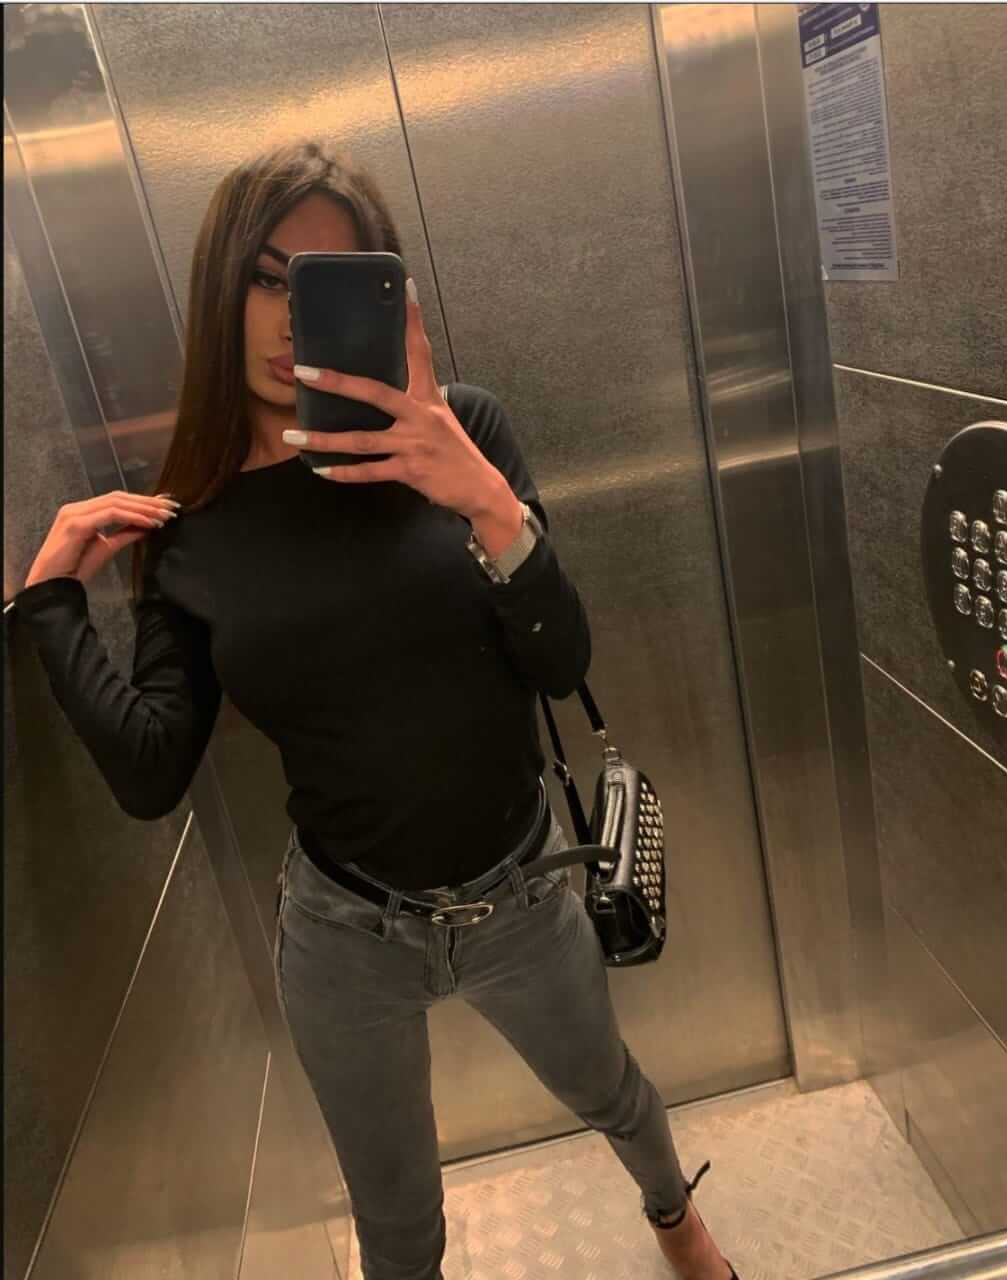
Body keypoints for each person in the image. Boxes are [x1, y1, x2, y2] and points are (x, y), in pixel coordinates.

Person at [16, 141, 737, 1280]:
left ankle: (674, 1215)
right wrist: (51, 601)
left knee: (612, 1090)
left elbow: (561, 662)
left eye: (328, 281)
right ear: (221, 292)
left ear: (384, 298)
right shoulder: (194, 527)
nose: (290, 315)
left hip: (520, 896)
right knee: (396, 1222)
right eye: (267, 277)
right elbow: (151, 768)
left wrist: (485, 500)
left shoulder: (467, 435)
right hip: (345, 935)